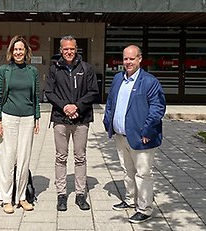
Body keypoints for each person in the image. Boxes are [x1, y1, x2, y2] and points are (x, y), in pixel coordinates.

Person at [103, 45, 166, 223]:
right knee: (127, 170)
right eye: (125, 59)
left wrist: (147, 130)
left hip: (141, 137)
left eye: (132, 59)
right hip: (121, 135)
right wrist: (108, 122)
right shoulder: (117, 79)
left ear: (140, 59)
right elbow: (110, 102)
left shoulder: (149, 81)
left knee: (143, 173)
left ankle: (144, 209)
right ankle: (130, 200)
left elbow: (157, 108)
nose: (128, 62)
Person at [45, 35, 99, 211]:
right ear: (61, 50)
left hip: (81, 119)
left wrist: (76, 106)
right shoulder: (54, 69)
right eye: (65, 49)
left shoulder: (86, 68)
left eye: (72, 48)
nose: (69, 51)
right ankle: (61, 195)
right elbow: (49, 92)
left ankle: (80, 194)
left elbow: (93, 92)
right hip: (61, 119)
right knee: (60, 157)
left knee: (80, 157)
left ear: (76, 50)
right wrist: (65, 107)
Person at [0, 35, 40, 214]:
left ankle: (22, 197)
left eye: (21, 49)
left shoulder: (32, 71)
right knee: (8, 159)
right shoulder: (4, 70)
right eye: (15, 49)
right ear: (11, 51)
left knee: (24, 159)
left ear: (26, 51)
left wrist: (36, 118)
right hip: (8, 117)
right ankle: (6, 199)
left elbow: (36, 97)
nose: (18, 52)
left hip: (27, 119)